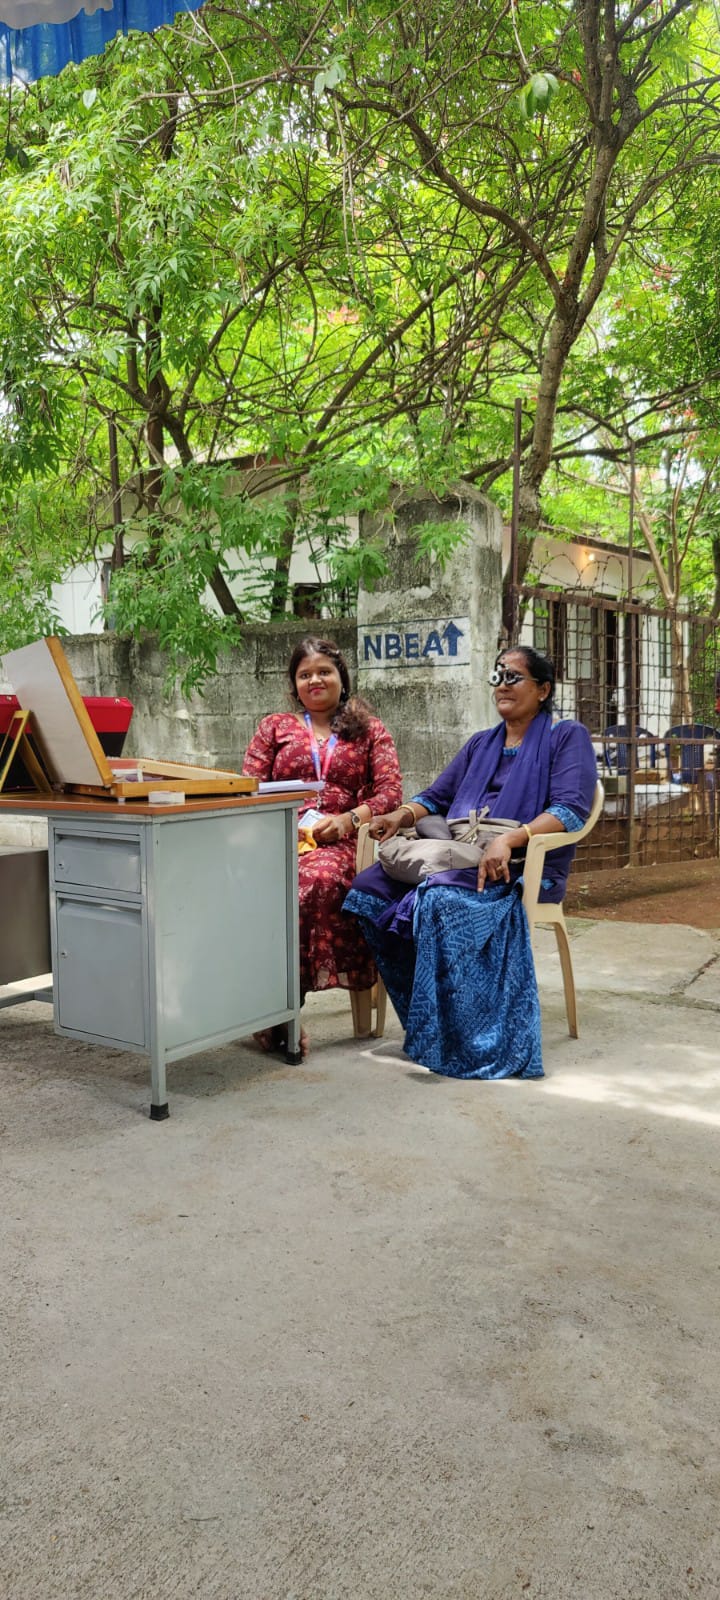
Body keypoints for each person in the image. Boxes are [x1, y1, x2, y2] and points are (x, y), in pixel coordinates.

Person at [343, 646, 597, 1080]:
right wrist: (400, 816)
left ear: (543, 690)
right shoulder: (481, 743)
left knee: (440, 902)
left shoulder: (565, 736)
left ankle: (470, 1040)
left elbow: (571, 809)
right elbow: (435, 797)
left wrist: (510, 840)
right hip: (460, 852)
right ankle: (429, 1020)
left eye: (513, 677)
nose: (502, 685)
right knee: (367, 891)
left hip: (522, 866)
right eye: (497, 677)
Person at [242, 636, 403, 1052]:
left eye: (324, 672)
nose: (315, 680)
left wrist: (349, 820)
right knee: (238, 883)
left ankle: (282, 1009)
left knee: (311, 880)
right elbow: (248, 787)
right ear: (294, 683)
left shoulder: (369, 730)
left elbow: (390, 793)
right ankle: (250, 1002)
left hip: (342, 842)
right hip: (277, 838)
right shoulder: (273, 728)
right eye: (305, 674)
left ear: (341, 678)